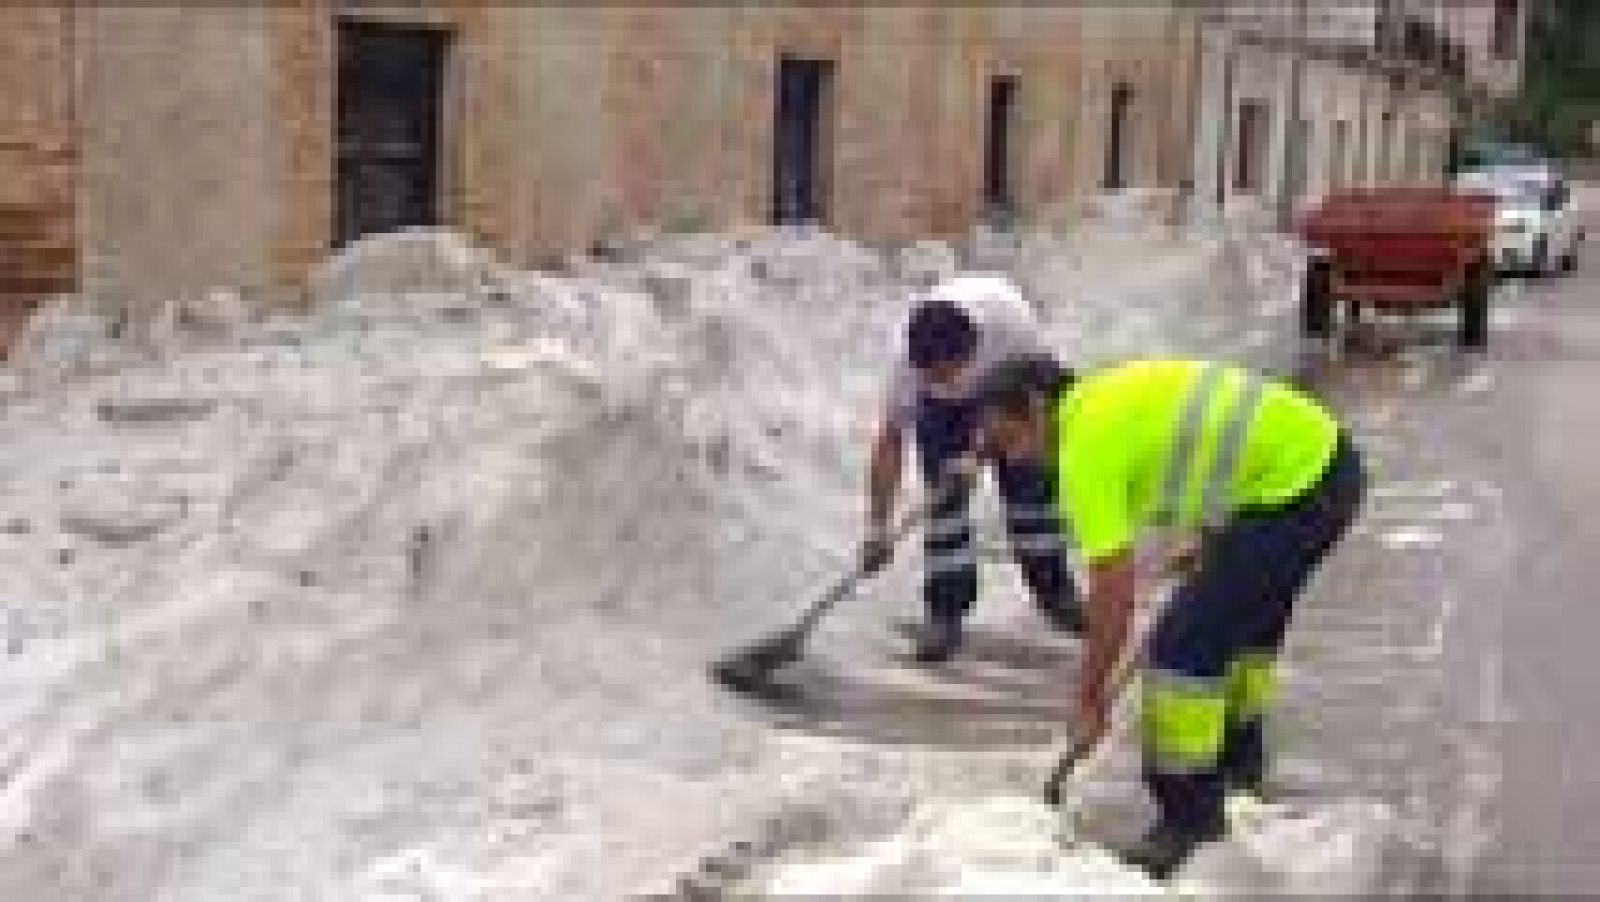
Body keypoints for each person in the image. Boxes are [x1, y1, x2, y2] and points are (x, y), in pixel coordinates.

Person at [978, 355, 1366, 879]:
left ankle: (1190, 817)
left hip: (1292, 491)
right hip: (1323, 466)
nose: (1011, 458)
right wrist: (1210, 535)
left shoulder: (1083, 453)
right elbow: (1205, 447)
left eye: (1007, 439)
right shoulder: (1102, 402)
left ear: (1035, 407)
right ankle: (1239, 763)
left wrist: (1090, 696)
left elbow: (1113, 595)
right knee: (1243, 629)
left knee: (1182, 650)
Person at [862, 275, 1084, 664]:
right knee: (944, 503)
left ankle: (1054, 592)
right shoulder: (906, 365)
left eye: (947, 373)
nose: (940, 381)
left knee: (1030, 484)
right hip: (942, 416)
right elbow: (890, 443)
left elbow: (1044, 408)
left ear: (972, 353)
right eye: (931, 376)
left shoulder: (1013, 329)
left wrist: (980, 451)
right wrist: (876, 528)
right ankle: (946, 612)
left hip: (1014, 387)